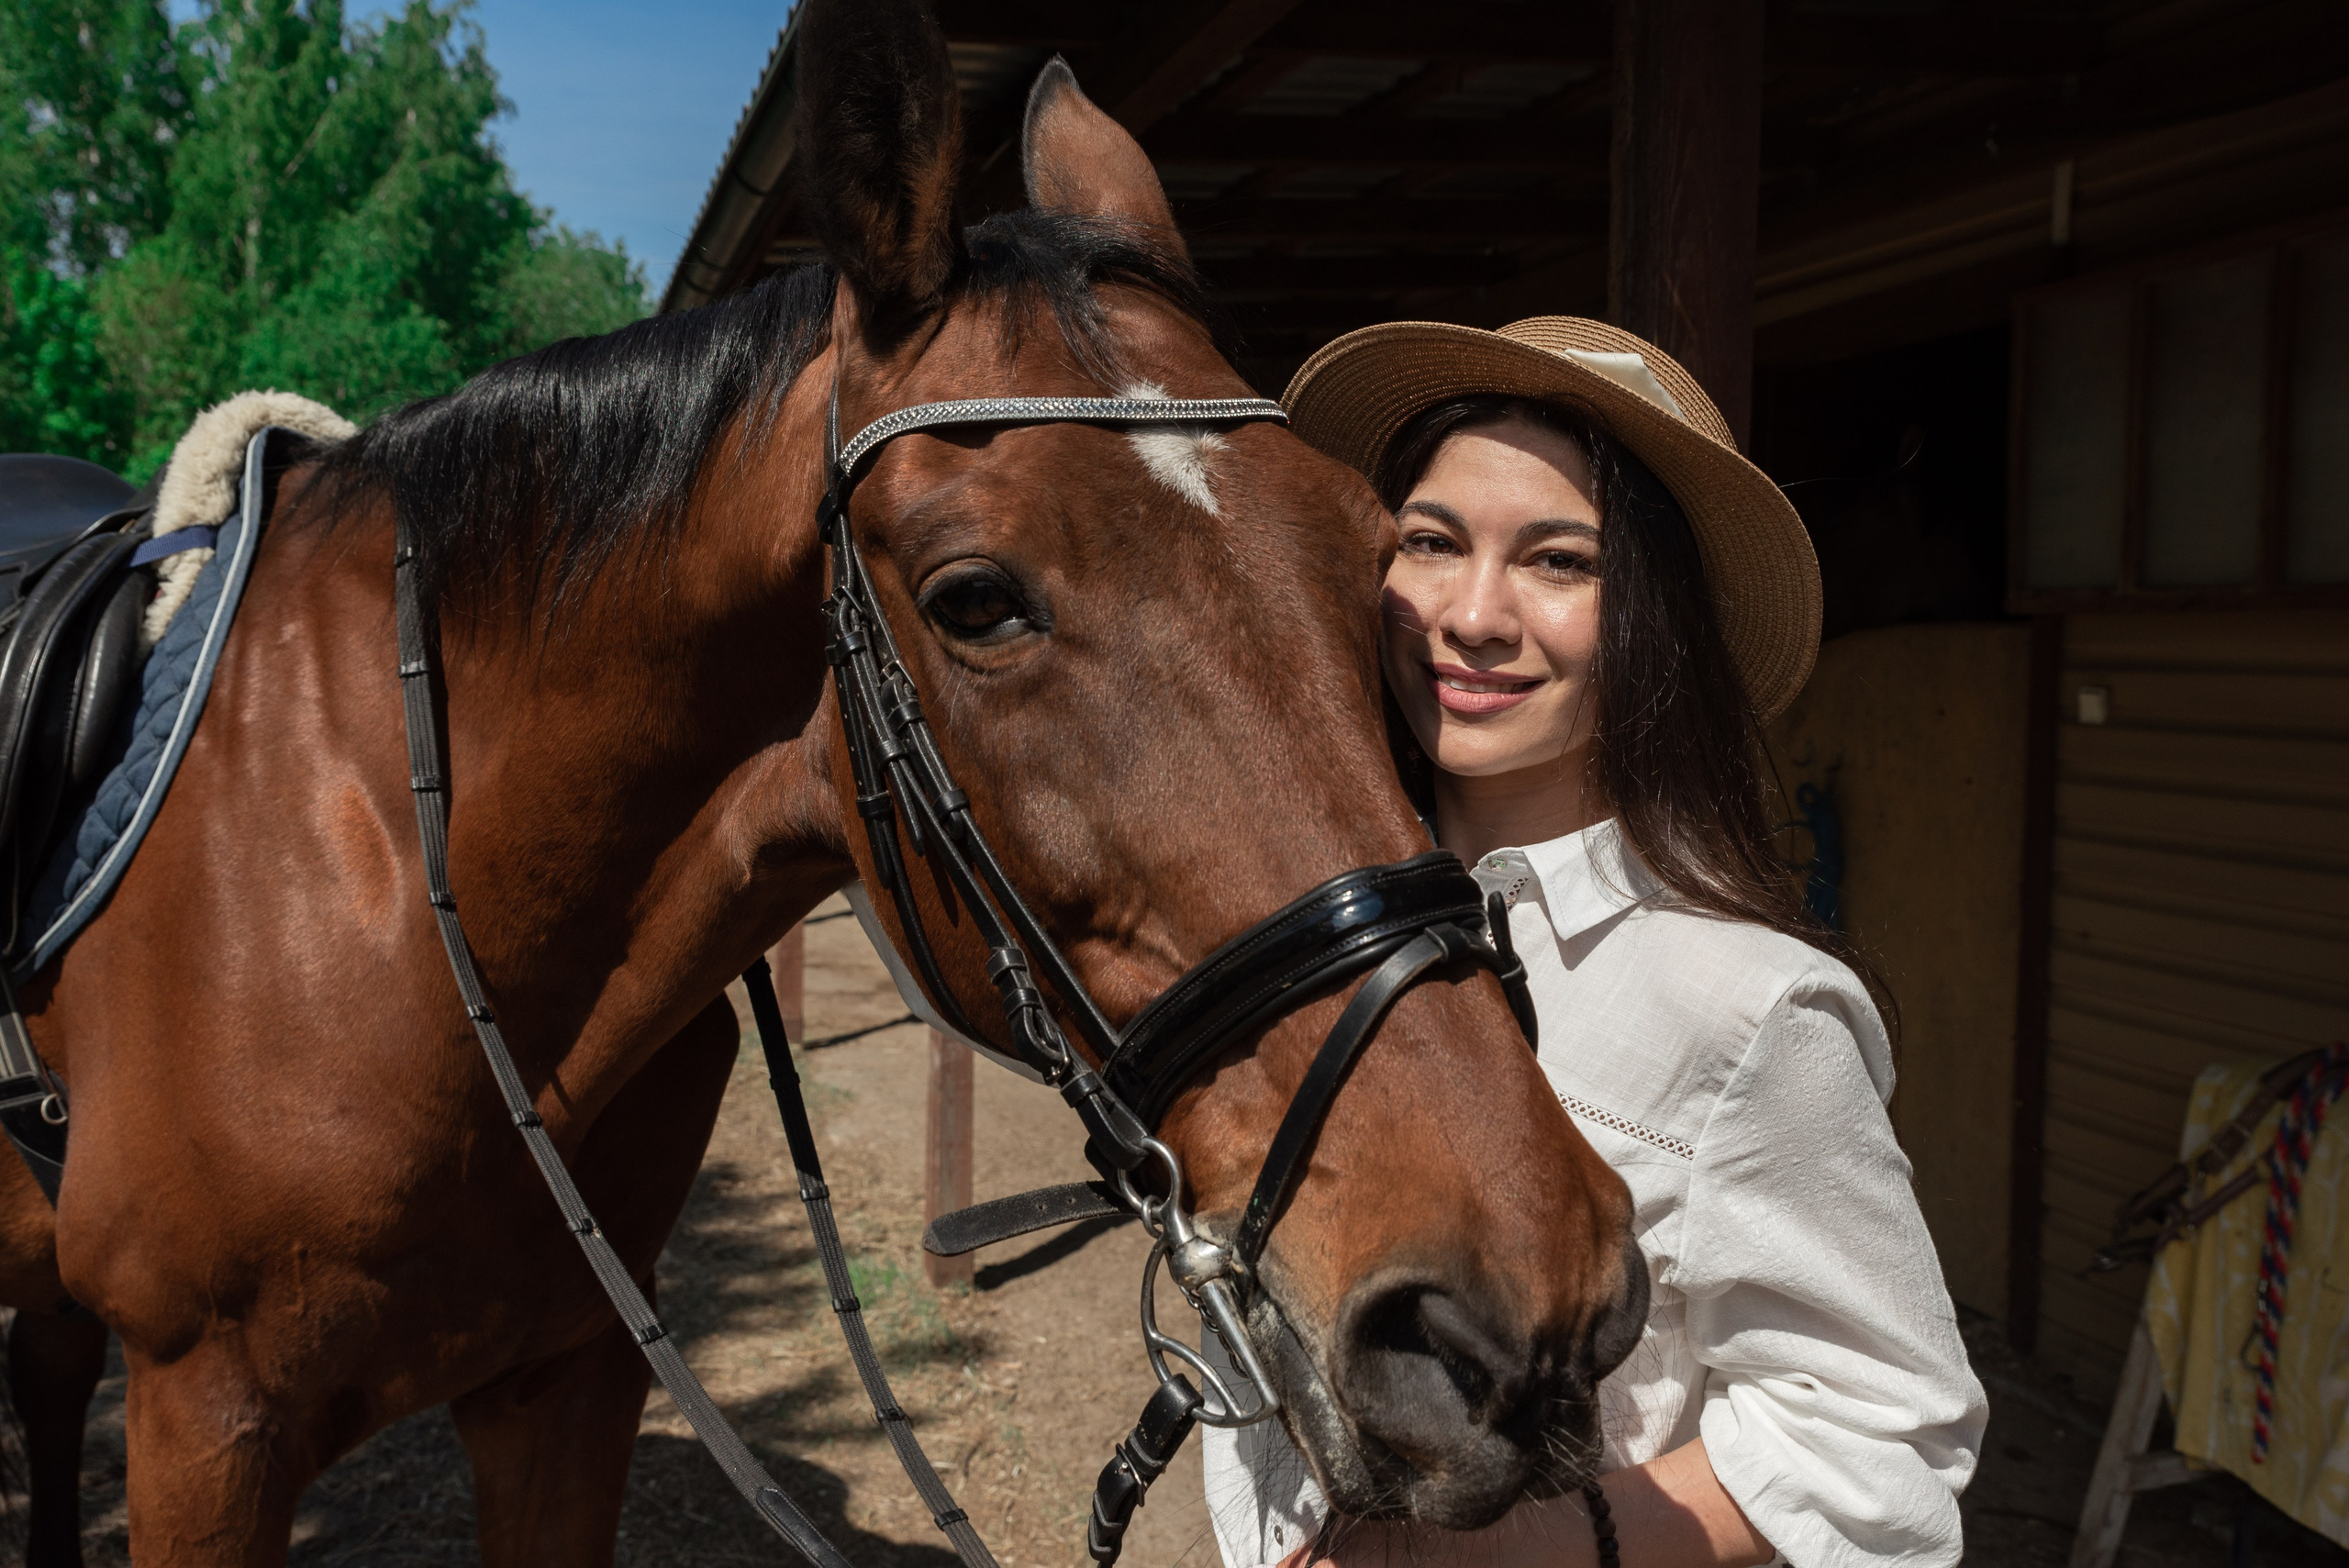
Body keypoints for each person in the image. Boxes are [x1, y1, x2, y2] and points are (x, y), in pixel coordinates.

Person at [1203, 318, 1987, 1568]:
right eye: (1430, 540)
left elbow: (1883, 1433)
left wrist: (1511, 1548)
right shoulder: (1302, 947)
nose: (1472, 614)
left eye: (1559, 562)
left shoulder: (1745, 1005)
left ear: (1649, 624)